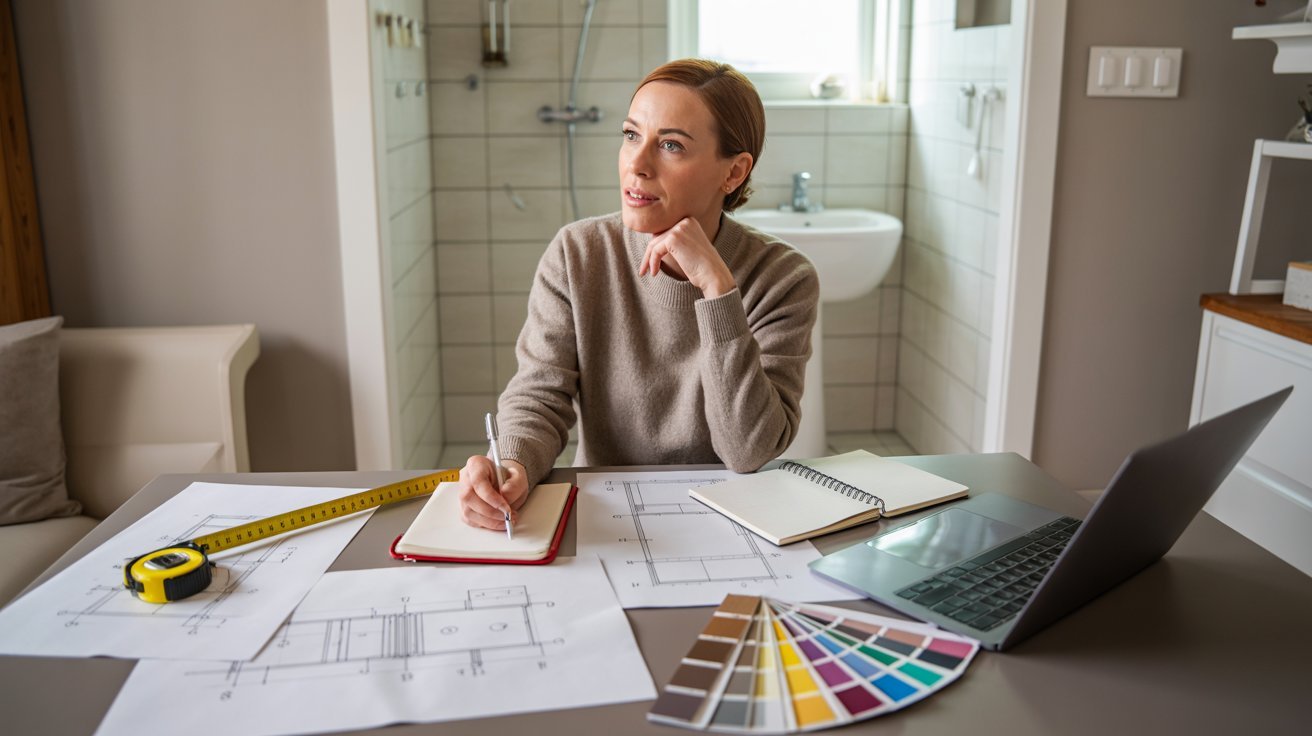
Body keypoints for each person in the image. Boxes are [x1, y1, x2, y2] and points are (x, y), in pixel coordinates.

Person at [458, 59, 820, 530]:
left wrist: (717, 290)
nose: (637, 163)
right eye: (631, 135)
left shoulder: (785, 278)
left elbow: (747, 451)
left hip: (734, 519)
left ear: (733, 173)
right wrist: (513, 466)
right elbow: (539, 396)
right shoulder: (578, 252)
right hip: (612, 515)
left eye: (671, 145)